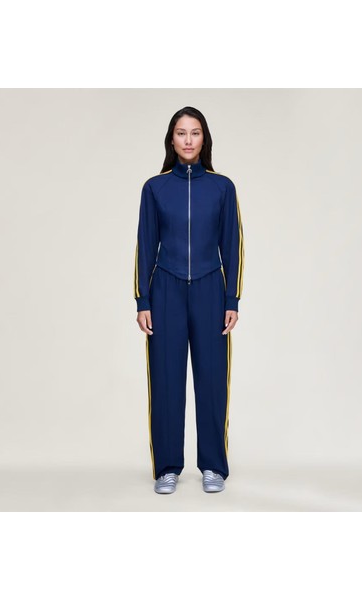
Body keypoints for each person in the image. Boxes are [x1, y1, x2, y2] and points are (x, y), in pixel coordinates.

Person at [133, 106, 245, 494]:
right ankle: (167, 467)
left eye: (195, 133)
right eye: (181, 133)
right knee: (165, 380)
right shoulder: (155, 188)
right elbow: (144, 245)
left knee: (213, 381)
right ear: (171, 139)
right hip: (166, 290)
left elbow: (233, 245)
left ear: (204, 139)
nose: (188, 140)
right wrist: (142, 300)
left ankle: (213, 466)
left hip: (211, 292)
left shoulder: (223, 188)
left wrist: (232, 299)